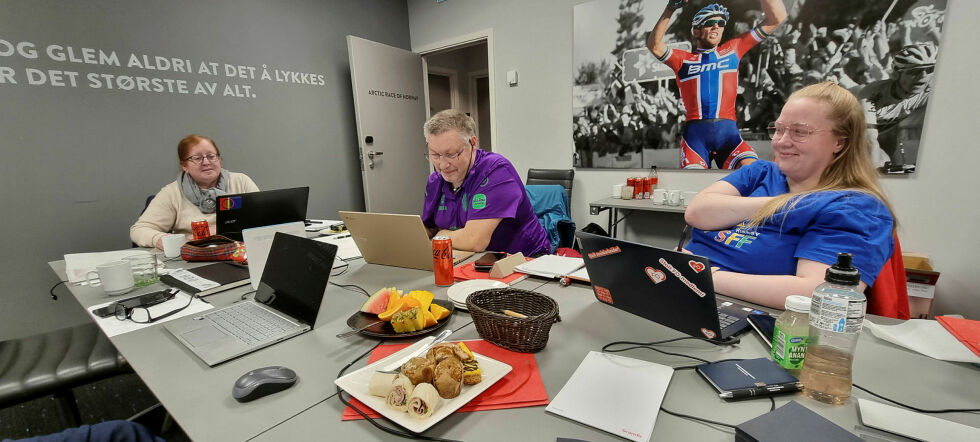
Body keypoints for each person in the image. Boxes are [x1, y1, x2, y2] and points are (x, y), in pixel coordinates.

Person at [684, 82, 895, 309]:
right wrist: (785, 204)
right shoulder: (759, 172)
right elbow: (697, 213)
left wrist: (703, 275)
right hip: (688, 288)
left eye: (800, 132)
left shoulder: (856, 208)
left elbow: (817, 292)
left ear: (839, 142)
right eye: (778, 129)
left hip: (756, 316)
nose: (781, 141)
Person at [646, 0, 786, 169]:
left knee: (754, 174)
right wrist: (670, 8)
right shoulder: (684, 60)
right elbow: (654, 45)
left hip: (729, 136)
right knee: (693, 188)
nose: (716, 27)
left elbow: (776, 19)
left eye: (720, 24)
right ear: (696, 32)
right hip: (695, 140)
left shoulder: (733, 49)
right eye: (710, 23)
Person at [421, 109, 551, 257]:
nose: (443, 165)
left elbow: (474, 241)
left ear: (473, 143)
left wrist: (442, 235)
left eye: (451, 154)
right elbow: (430, 227)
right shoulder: (436, 180)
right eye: (435, 155)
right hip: (468, 259)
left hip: (524, 260)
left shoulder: (497, 172)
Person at [130, 135, 258, 249]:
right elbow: (139, 230)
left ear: (220, 160)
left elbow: (263, 220)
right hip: (193, 257)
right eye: (197, 158)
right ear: (184, 166)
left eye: (211, 156)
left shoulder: (241, 181)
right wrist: (160, 240)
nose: (206, 162)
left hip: (239, 252)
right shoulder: (171, 193)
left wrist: (220, 230)